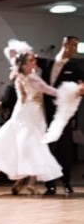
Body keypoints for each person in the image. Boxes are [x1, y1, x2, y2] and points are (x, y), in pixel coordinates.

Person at [0, 46, 83, 194]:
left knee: (25, 144)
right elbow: (50, 91)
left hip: (21, 111)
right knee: (33, 145)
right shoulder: (32, 78)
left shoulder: (19, 75)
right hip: (32, 112)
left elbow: (10, 52)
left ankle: (26, 180)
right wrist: (72, 92)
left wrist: (19, 51)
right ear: (24, 64)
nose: (34, 61)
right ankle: (29, 181)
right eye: (31, 60)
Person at [38, 36, 84, 195]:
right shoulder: (47, 63)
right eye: (73, 45)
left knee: (65, 149)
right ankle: (50, 185)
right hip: (45, 114)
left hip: (63, 115)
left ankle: (66, 182)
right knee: (48, 149)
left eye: (77, 46)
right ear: (65, 44)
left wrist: (81, 88)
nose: (75, 49)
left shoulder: (74, 67)